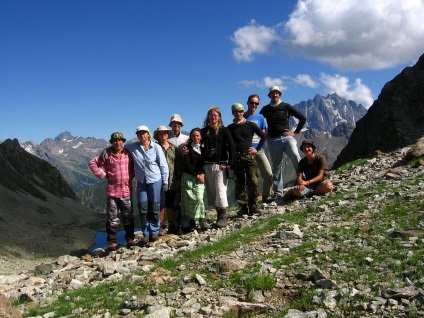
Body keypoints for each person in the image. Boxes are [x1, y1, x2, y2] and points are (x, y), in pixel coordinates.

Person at [88, 132, 135, 251]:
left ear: (123, 141)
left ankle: (130, 239)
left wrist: (132, 176)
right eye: (115, 141)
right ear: (112, 142)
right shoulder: (107, 153)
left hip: (126, 191)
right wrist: (103, 175)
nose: (117, 143)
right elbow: (92, 163)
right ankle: (112, 242)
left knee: (128, 216)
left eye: (120, 140)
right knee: (112, 218)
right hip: (113, 192)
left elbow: (135, 166)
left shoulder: (128, 153)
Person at [259, 85, 306, 200]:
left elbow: (302, 118)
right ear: (269, 95)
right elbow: (258, 120)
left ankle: (304, 184)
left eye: (277, 93)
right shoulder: (265, 109)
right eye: (272, 93)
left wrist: (295, 133)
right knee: (276, 166)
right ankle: (278, 192)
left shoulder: (286, 106)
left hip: (287, 138)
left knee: (296, 158)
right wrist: (264, 134)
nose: (275, 95)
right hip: (273, 140)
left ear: (280, 94)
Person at [126, 126, 169, 244]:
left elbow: (163, 165)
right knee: (143, 207)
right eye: (139, 133)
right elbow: (120, 147)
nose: (142, 135)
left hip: (155, 180)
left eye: (144, 133)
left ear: (148, 134)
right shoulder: (133, 147)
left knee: (155, 207)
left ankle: (154, 232)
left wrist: (165, 182)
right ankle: (145, 233)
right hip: (141, 181)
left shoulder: (156, 147)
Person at [228, 103, 266, 216]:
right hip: (236, 158)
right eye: (236, 112)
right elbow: (226, 142)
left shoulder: (250, 125)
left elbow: (263, 136)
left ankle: (253, 204)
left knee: (253, 180)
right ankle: (243, 207)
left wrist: (256, 149)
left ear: (243, 112)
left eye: (240, 111)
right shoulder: (230, 128)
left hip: (249, 156)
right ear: (233, 113)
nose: (238, 114)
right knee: (239, 183)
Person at [201, 106, 235, 228]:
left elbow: (232, 147)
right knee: (213, 193)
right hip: (207, 165)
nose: (213, 117)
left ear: (219, 117)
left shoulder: (224, 131)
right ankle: (219, 215)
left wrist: (229, 164)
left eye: (215, 115)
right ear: (208, 117)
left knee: (221, 190)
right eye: (211, 115)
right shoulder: (203, 131)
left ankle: (223, 217)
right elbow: (197, 145)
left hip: (220, 165)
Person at [244, 94, 273, 203]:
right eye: (252, 102)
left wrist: (257, 149)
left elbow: (263, 135)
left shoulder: (261, 118)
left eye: (256, 103)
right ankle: (250, 202)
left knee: (268, 174)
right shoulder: (242, 117)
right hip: (246, 152)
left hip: (259, 150)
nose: (254, 105)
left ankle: (266, 197)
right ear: (247, 103)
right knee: (250, 179)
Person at [180, 128, 210, 232]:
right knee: (189, 200)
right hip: (189, 176)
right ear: (191, 137)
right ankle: (192, 221)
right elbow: (187, 164)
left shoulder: (204, 148)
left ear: (201, 136)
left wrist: (203, 174)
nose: (196, 138)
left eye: (197, 135)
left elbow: (207, 162)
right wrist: (197, 174)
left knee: (199, 198)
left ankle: (202, 219)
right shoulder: (187, 148)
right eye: (193, 136)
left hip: (200, 176)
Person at [154, 125, 177, 236]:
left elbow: (178, 163)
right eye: (161, 133)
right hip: (159, 180)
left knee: (170, 203)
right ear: (157, 135)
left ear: (168, 134)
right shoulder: (154, 147)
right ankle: (160, 225)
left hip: (172, 180)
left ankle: (171, 224)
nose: (163, 135)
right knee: (160, 204)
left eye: (165, 133)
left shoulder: (174, 148)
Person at [168, 114, 189, 233]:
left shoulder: (186, 138)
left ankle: (186, 223)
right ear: (170, 125)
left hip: (184, 171)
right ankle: (174, 224)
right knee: (173, 199)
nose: (176, 125)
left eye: (178, 123)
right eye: (174, 123)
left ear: (180, 125)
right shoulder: (166, 138)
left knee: (184, 198)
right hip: (171, 172)